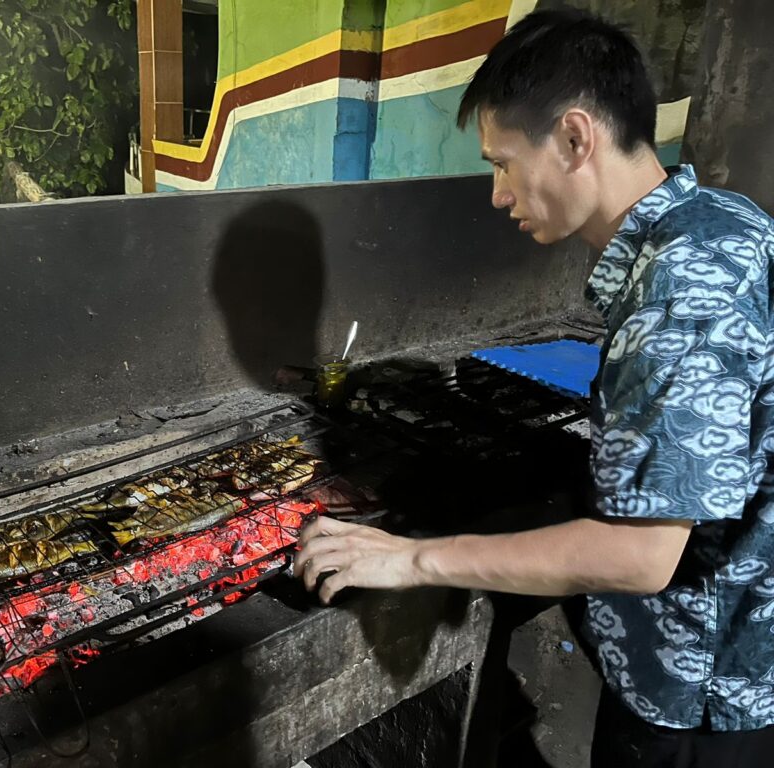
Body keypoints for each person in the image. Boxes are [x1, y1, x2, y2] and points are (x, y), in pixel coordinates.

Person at [294, 8, 774, 767]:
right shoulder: (718, 219)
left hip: (696, 696)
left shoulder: (681, 291)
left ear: (576, 139)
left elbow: (640, 556)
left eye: (503, 163)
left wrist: (413, 559)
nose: (497, 193)